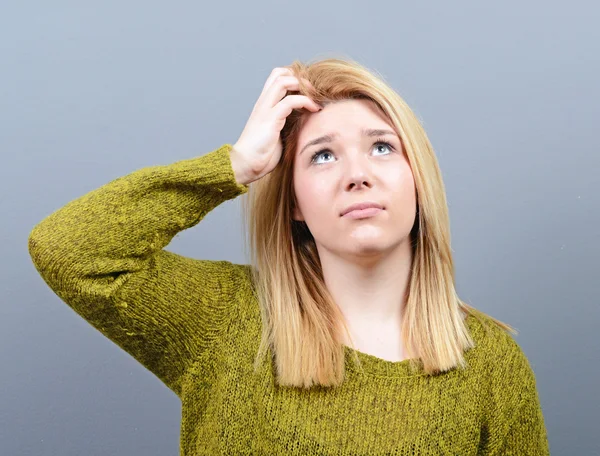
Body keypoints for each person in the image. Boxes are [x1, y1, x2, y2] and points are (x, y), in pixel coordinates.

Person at [28, 57, 550, 455]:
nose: (357, 173)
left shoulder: (489, 364)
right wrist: (233, 165)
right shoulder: (223, 318)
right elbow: (69, 249)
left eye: (383, 147)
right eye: (323, 155)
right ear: (295, 203)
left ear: (419, 179)